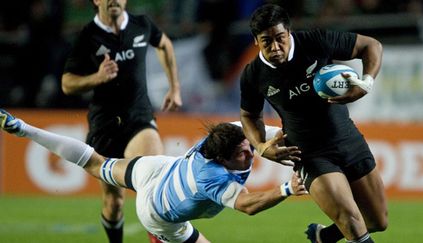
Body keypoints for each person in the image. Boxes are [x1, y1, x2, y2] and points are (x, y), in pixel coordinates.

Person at [0, 109, 307, 243]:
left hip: (157, 169)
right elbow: (247, 205)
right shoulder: (211, 178)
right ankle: (158, 238)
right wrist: (285, 189)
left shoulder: (232, 134)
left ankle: (22, 127)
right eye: (244, 153)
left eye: (249, 147)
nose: (252, 153)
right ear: (222, 160)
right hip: (158, 213)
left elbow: (278, 133)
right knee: (94, 167)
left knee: (96, 163)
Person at [239, 4, 388, 243]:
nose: (275, 47)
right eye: (266, 41)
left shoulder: (316, 41)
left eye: (280, 38)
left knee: (377, 221)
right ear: (256, 41)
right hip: (308, 152)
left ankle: (324, 237)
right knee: (351, 220)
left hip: (347, 139)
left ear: (289, 32)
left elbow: (372, 46)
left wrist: (366, 84)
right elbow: (248, 115)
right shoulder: (253, 75)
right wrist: (261, 146)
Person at [61, 0, 182, 242]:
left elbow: (165, 45)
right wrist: (97, 77)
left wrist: (174, 88)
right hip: (104, 125)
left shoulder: (142, 24)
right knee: (114, 202)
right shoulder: (87, 36)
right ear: (97, 1)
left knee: (154, 187)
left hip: (139, 118)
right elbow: (67, 83)